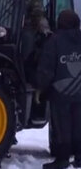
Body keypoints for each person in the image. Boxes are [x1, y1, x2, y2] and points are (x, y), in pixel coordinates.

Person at [37, 9, 81, 169]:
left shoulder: (54, 41)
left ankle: (62, 160)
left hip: (60, 92)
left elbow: (47, 69)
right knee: (78, 124)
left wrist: (40, 88)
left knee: (62, 126)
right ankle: (79, 157)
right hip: (79, 93)